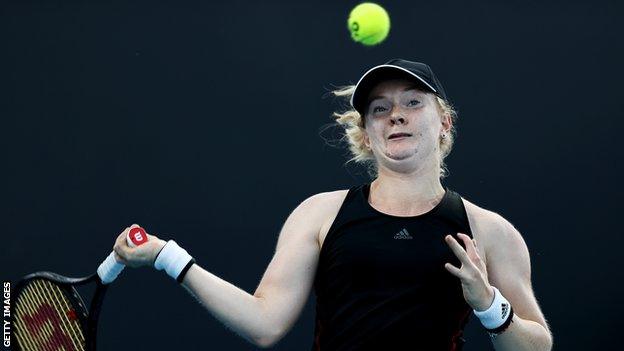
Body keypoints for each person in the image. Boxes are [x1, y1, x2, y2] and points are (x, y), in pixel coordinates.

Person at [112, 59, 553, 350]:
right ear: (365, 134)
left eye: (413, 103)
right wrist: (166, 256)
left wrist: (489, 303)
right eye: (379, 109)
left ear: (444, 123)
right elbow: (265, 323)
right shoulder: (320, 214)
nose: (395, 115)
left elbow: (538, 346)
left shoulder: (490, 231)